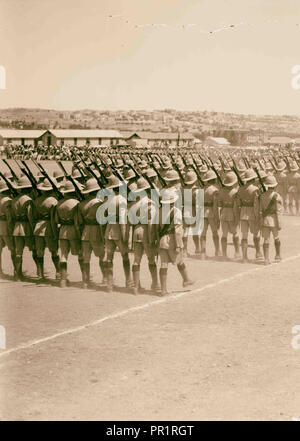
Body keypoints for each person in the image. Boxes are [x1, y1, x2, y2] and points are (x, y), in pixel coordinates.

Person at [158, 187, 194, 296]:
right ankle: (186, 279)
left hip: (162, 240)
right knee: (180, 260)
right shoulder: (176, 212)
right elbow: (178, 231)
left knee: (163, 264)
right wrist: (179, 245)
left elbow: (155, 227)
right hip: (172, 239)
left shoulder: (159, 211)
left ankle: (163, 290)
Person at [129, 177, 159, 295]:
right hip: (146, 231)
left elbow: (130, 220)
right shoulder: (150, 203)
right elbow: (151, 222)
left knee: (137, 260)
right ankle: (155, 283)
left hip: (136, 230)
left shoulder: (134, 204)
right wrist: (152, 238)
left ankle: (136, 287)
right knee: (151, 259)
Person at [75, 178, 105, 289]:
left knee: (86, 258)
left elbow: (79, 222)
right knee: (102, 256)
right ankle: (105, 278)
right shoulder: (99, 203)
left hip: (85, 231)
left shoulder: (81, 204)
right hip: (97, 230)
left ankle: (85, 281)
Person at [52, 180, 83, 288]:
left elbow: (56, 220)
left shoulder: (58, 203)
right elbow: (78, 221)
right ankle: (85, 279)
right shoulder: (76, 203)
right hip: (73, 230)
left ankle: (63, 280)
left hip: (62, 230)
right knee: (80, 254)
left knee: (63, 256)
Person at [11, 176, 37, 280]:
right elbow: (30, 216)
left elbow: (12, 216)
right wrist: (33, 228)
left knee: (18, 252)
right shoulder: (29, 200)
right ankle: (40, 272)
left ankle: (17, 274)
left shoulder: (14, 199)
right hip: (27, 227)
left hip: (17, 227)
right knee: (34, 249)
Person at [33, 178, 60, 280]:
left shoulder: (37, 200)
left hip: (38, 227)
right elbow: (54, 218)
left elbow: (34, 215)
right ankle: (58, 272)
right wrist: (55, 232)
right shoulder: (54, 201)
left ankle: (40, 274)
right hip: (49, 227)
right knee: (54, 251)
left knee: (40, 252)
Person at [236, 168, 262, 262]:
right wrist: (257, 215)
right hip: (252, 213)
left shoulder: (240, 189)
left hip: (243, 213)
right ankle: (258, 252)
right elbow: (256, 204)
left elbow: (238, 203)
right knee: (256, 234)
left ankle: (244, 257)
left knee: (244, 236)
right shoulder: (255, 189)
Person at [258, 175, 283, 264]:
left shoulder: (262, 196)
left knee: (266, 239)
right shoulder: (277, 196)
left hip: (265, 220)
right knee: (276, 237)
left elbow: (260, 210)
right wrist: (279, 224)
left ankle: (266, 259)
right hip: (274, 220)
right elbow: (278, 211)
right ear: (275, 185)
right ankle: (277, 256)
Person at [218, 171, 240, 260]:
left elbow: (220, 203)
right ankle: (237, 252)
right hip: (232, 212)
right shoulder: (235, 192)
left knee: (224, 234)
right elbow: (237, 205)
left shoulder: (221, 191)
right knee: (235, 233)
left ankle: (224, 254)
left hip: (223, 213)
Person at [0, 181, 16, 277]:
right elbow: (9, 217)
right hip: (6, 226)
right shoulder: (8, 201)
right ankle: (16, 271)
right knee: (13, 249)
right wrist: (11, 229)